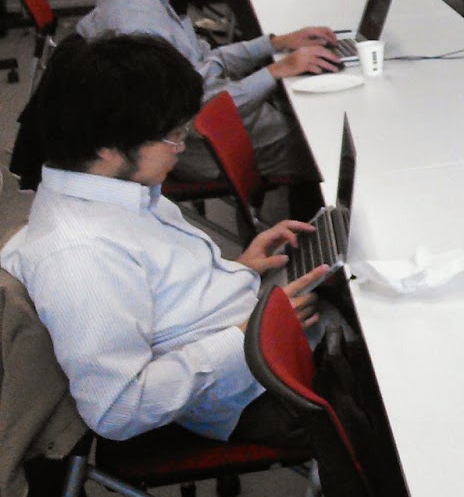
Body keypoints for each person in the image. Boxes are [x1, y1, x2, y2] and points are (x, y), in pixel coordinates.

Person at [0, 34, 326, 445]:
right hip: (260, 390)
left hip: (260, 329)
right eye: (173, 135)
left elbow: (159, 296)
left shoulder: (118, 189)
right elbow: (117, 409)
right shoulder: (81, 256)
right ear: (107, 147)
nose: (181, 147)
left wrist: (240, 269)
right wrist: (252, 335)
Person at [75, 0, 340, 181]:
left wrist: (275, 44)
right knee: (340, 142)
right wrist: (278, 70)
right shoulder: (138, 26)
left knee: (321, 102)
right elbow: (200, 111)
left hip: (223, 118)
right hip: (215, 144)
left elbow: (204, 62)